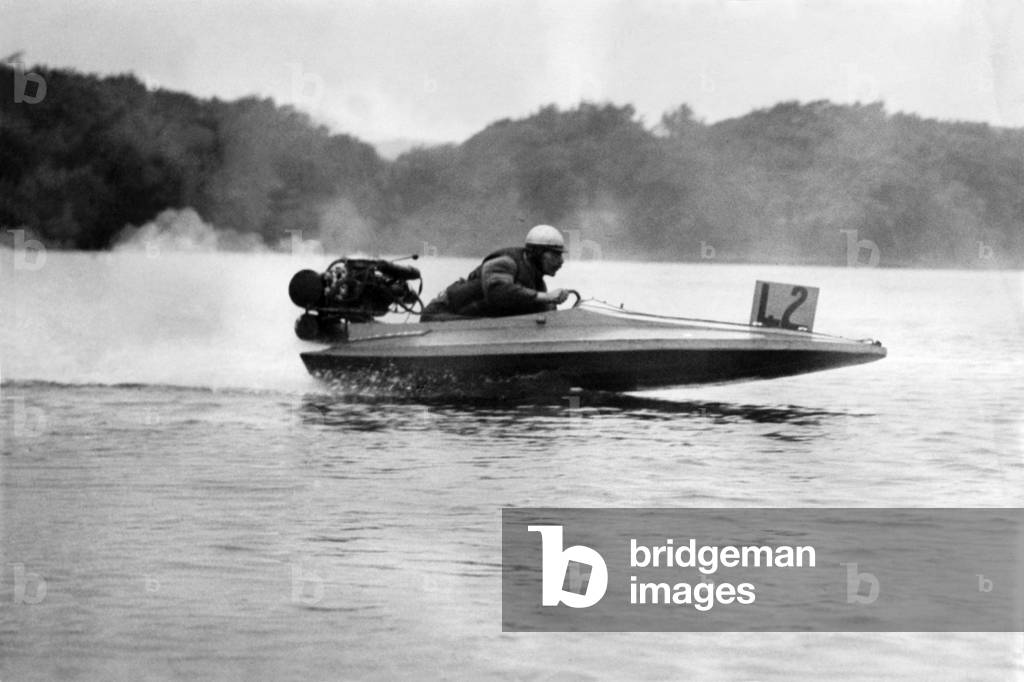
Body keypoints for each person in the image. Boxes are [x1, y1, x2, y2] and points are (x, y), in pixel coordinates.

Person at [420, 224, 572, 321]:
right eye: (555, 255)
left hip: (474, 324)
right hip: (441, 317)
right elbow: (498, 293)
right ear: (537, 253)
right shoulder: (505, 262)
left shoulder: (536, 281)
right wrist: (545, 297)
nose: (561, 261)